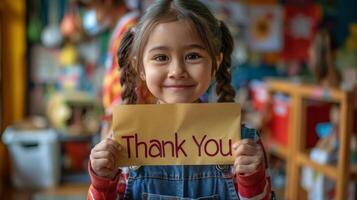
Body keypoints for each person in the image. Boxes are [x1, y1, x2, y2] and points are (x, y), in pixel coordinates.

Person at [88, 0, 272, 199]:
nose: (177, 71)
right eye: (161, 57)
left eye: (192, 56)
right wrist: (102, 181)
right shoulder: (123, 143)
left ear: (215, 63)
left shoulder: (244, 144)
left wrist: (252, 179)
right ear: (140, 67)